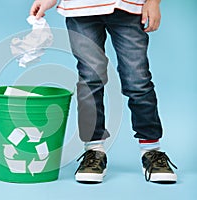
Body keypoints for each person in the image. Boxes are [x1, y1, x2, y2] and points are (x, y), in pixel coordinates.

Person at [30, 0, 177, 183]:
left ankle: (151, 151)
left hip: (128, 8)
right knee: (90, 80)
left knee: (137, 80)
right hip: (80, 9)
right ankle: (93, 150)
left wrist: (154, 2)